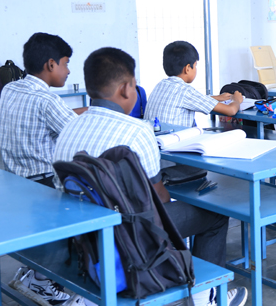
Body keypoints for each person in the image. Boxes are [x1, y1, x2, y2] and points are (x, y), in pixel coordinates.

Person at [52, 47, 246, 306]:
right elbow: (159, 200)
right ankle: (204, 299)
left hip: (83, 234)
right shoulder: (136, 131)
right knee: (215, 215)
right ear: (125, 89)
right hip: (129, 238)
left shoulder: (68, 128)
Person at [0, 33, 88, 306]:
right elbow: (78, 134)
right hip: (44, 186)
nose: (68, 70)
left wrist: (84, 110)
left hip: (14, 182)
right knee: (98, 201)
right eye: (65, 63)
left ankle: (34, 272)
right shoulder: (47, 100)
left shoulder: (10, 89)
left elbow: (60, 117)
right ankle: (43, 279)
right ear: (51, 64)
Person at [144, 41, 243, 127]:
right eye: (195, 66)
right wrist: (236, 100)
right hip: (178, 141)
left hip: (158, 139)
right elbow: (231, 110)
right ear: (187, 68)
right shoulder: (185, 91)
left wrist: (216, 98)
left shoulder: (160, 85)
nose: (196, 69)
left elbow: (183, 99)